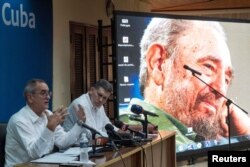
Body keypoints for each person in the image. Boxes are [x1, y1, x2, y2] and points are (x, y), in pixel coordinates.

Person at [119, 18, 250, 148]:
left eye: (227, 80)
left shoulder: (197, 140)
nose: (221, 90)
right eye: (208, 67)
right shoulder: (137, 135)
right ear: (159, 63)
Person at [4, 79, 86, 167]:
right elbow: (34, 154)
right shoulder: (19, 120)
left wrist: (79, 123)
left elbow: (63, 142)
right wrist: (49, 128)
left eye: (48, 93)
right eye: (43, 93)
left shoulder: (48, 114)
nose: (48, 97)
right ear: (30, 97)